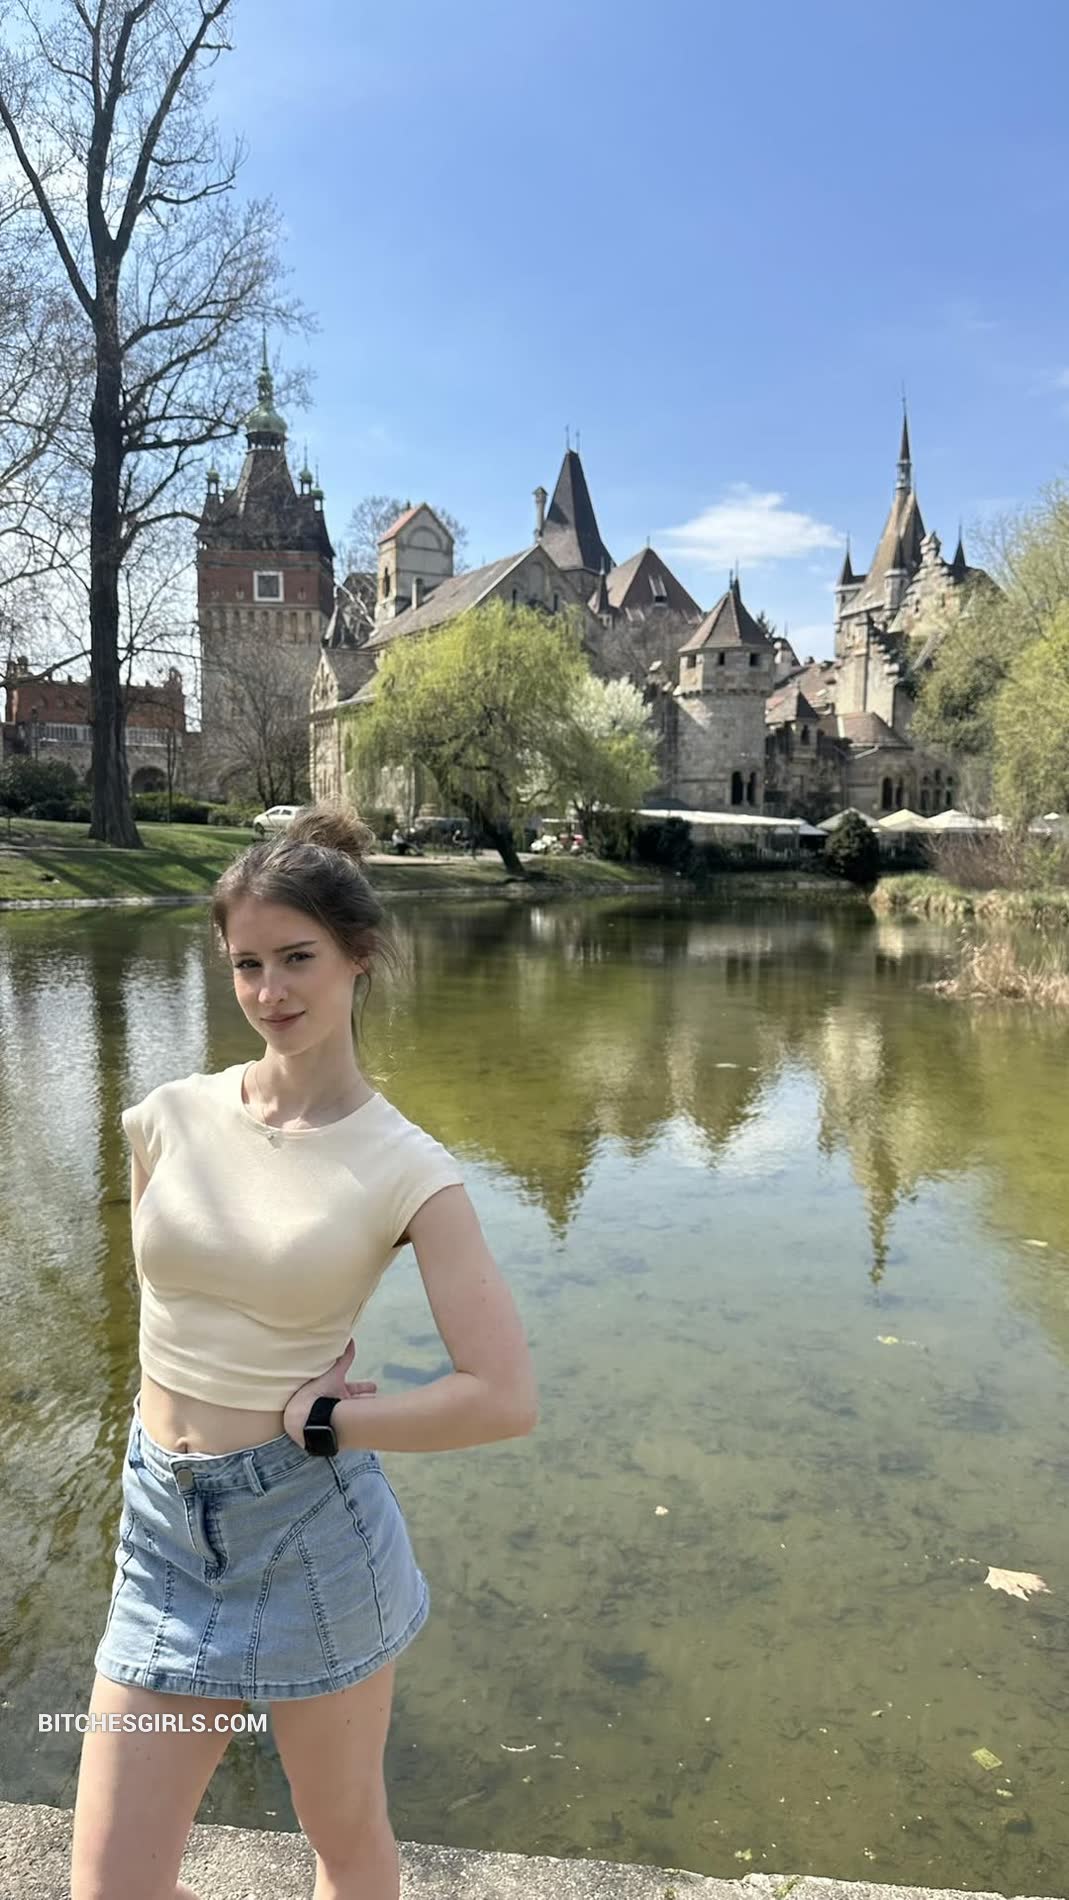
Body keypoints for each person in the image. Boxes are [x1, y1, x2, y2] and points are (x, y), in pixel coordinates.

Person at [71, 801, 538, 1900]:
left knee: (348, 1844)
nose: (270, 991)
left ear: (358, 955)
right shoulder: (165, 1118)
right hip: (161, 1526)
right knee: (111, 1884)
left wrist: (328, 1419)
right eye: (247, 964)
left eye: (297, 959)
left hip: (306, 1533)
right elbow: (173, 1306)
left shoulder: (407, 1167)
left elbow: (502, 1395)